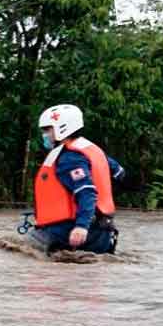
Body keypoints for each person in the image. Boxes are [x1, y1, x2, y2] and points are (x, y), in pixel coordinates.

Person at [29, 104, 126, 254]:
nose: (44, 135)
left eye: (47, 130)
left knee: (19, 247)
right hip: (103, 232)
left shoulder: (69, 158)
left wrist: (81, 226)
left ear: (62, 128)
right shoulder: (91, 149)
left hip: (72, 232)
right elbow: (119, 173)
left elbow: (87, 192)